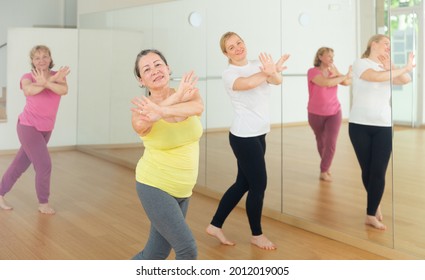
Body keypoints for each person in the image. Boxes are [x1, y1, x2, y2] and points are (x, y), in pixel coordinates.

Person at [206, 32, 289, 250]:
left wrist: (273, 72)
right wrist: (269, 71)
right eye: (231, 47)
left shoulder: (256, 64)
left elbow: (277, 81)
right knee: (258, 184)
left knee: (243, 183)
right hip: (244, 136)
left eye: (239, 43)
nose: (237, 48)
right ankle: (256, 234)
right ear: (226, 53)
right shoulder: (229, 73)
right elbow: (249, 83)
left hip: (260, 133)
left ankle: (215, 225)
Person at [130, 49, 204, 260]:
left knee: (154, 255)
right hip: (154, 186)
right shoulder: (140, 109)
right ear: (140, 80)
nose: (154, 71)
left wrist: (165, 108)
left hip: (183, 190)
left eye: (158, 64)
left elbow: (198, 106)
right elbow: (142, 123)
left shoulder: (188, 93)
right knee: (187, 249)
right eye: (147, 69)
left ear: (168, 68)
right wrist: (174, 100)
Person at [349, 34, 415, 230]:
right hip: (359, 125)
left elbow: (405, 80)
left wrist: (393, 68)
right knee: (367, 170)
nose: (388, 47)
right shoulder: (361, 63)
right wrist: (399, 69)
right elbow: (373, 77)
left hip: (383, 126)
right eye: (385, 43)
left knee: (378, 171)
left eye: (390, 44)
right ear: (373, 44)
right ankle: (375, 202)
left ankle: (370, 213)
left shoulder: (388, 65)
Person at [0, 45, 70, 214]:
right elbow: (29, 90)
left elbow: (63, 90)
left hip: (46, 128)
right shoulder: (27, 77)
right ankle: (43, 203)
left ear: (50, 58)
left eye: (45, 56)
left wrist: (48, 81)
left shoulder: (57, 75)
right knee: (44, 165)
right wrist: (49, 82)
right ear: (32, 61)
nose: (41, 61)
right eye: (37, 58)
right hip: (28, 126)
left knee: (20, 164)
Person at [307, 47, 352, 182]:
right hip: (315, 113)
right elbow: (325, 83)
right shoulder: (312, 72)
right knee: (321, 141)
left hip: (334, 112)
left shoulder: (334, 71)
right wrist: (344, 76)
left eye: (333, 56)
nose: (332, 59)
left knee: (331, 142)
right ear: (320, 57)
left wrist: (339, 73)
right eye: (328, 56)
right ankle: (325, 165)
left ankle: (324, 169)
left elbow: (347, 83)